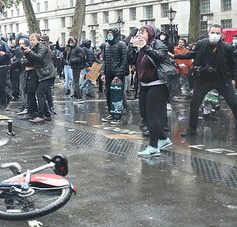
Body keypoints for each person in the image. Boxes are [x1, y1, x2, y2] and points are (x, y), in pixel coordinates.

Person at [173, 24, 237, 138]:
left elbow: (233, 65)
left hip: (222, 80)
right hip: (204, 79)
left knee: (234, 103)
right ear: (209, 33)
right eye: (213, 32)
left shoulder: (227, 47)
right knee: (194, 103)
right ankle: (192, 129)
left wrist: (233, 79)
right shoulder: (201, 43)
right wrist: (176, 56)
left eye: (218, 33)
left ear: (222, 35)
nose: (215, 35)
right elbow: (192, 54)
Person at [129, 25, 172, 157]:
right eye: (139, 32)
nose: (140, 34)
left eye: (143, 32)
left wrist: (145, 47)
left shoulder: (158, 44)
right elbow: (130, 61)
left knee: (153, 115)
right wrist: (132, 48)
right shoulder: (140, 46)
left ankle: (153, 146)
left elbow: (160, 57)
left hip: (157, 84)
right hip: (144, 84)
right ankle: (163, 139)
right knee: (144, 114)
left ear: (150, 34)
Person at [22, 33, 58, 123]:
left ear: (38, 40)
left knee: (39, 93)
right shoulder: (34, 48)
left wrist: (30, 52)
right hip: (42, 74)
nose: (31, 42)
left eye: (33, 40)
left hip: (47, 74)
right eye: (30, 40)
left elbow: (39, 57)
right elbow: (32, 60)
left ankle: (41, 115)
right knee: (40, 94)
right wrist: (26, 53)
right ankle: (47, 115)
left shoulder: (42, 47)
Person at [100, 27, 129, 122]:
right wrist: (103, 73)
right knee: (108, 94)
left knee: (118, 94)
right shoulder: (106, 45)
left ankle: (119, 113)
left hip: (118, 74)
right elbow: (104, 60)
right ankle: (111, 112)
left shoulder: (121, 44)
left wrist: (118, 74)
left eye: (111, 33)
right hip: (108, 73)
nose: (109, 35)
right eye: (108, 33)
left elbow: (124, 60)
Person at [67, 36, 86, 104]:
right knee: (75, 82)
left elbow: (81, 58)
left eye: (72, 41)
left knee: (76, 83)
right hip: (74, 67)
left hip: (77, 67)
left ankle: (80, 97)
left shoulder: (78, 49)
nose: (71, 43)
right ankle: (77, 96)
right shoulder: (72, 49)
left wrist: (72, 60)